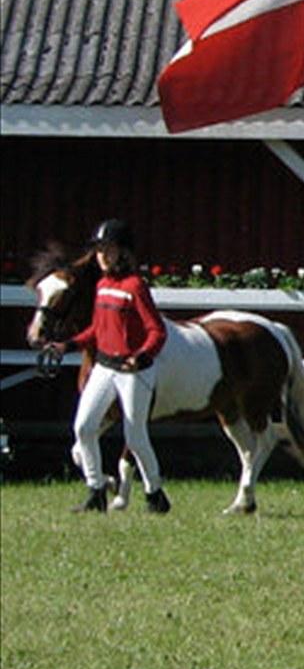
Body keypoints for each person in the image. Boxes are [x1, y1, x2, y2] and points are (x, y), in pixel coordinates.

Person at [51, 220, 170, 514]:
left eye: (109, 249)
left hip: (134, 371)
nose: (103, 255)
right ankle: (96, 491)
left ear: (123, 253)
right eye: (99, 250)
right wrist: (68, 345)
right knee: (84, 427)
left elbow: (157, 330)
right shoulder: (102, 286)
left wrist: (143, 355)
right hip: (105, 366)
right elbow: (97, 329)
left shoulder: (135, 287)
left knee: (135, 437)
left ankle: (155, 493)